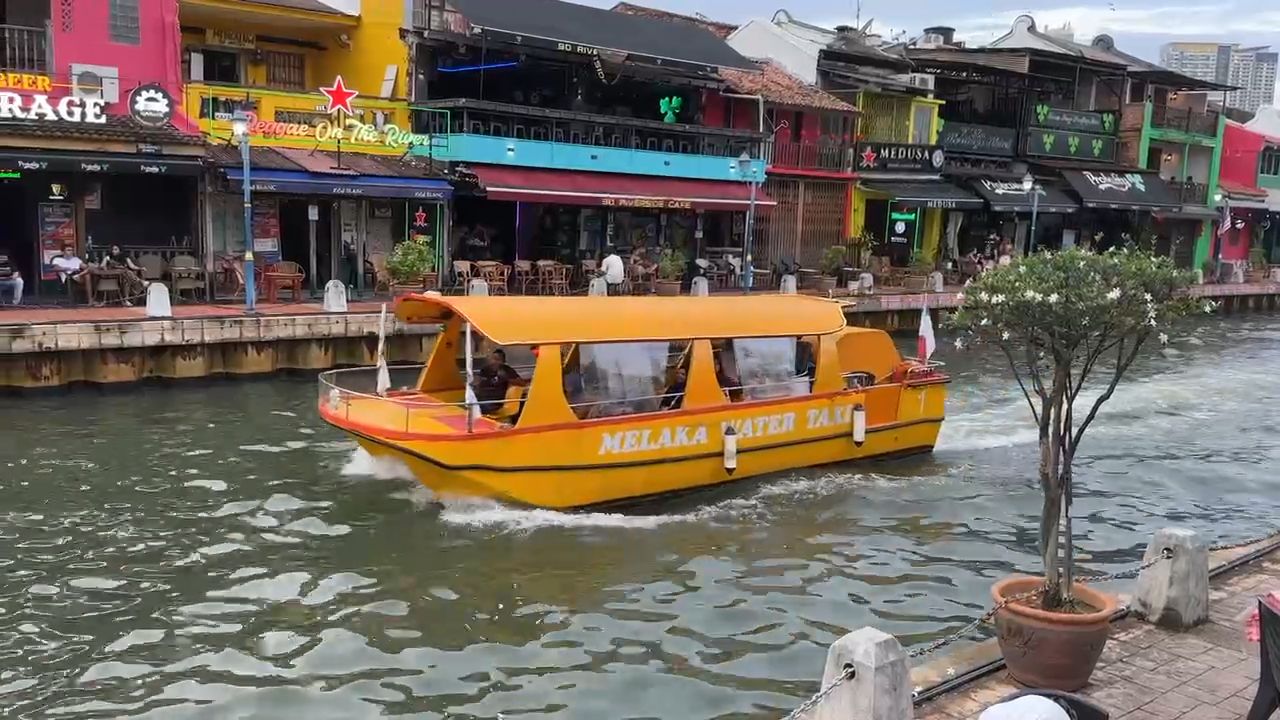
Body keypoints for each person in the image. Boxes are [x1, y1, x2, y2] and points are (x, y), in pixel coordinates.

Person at [471, 349, 527, 416]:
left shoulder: (507, 370)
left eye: (497, 359)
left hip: (496, 401)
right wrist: (475, 383)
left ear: (503, 362)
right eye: (493, 359)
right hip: (482, 397)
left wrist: (507, 378)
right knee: (466, 402)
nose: (494, 362)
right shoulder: (486, 369)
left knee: (478, 406)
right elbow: (477, 381)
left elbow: (522, 383)